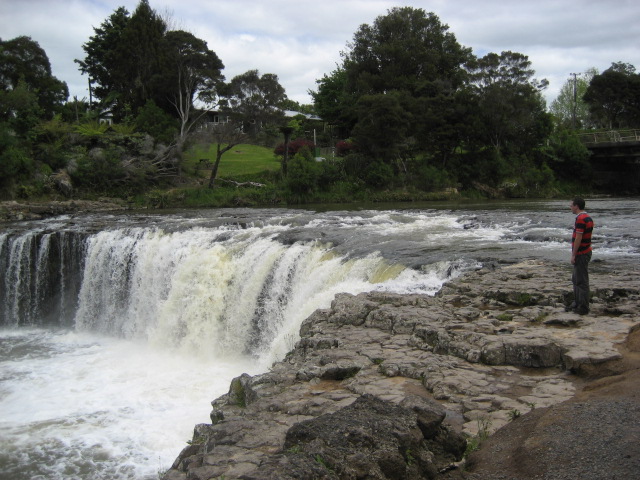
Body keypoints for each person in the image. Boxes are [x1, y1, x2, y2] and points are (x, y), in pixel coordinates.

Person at [568, 197, 594, 315]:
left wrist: (573, 254)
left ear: (577, 206)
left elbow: (578, 238)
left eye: (571, 205)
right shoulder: (587, 217)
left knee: (581, 280)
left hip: (581, 253)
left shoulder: (581, 219)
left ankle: (583, 307)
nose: (570, 207)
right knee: (576, 278)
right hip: (585, 251)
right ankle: (577, 302)